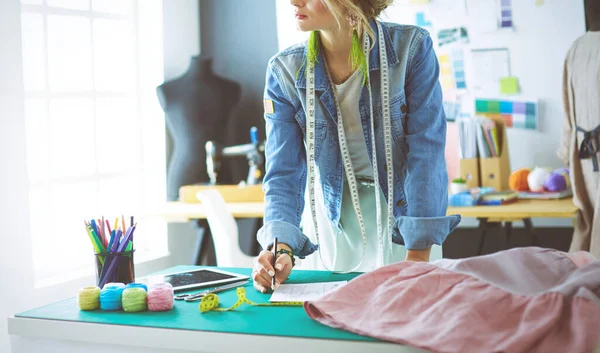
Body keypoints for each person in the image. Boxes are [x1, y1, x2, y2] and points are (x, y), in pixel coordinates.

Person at [253, 0, 461, 293]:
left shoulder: (411, 49)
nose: (293, 1)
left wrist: (418, 254)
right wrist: (281, 248)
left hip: (405, 219)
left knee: (405, 321)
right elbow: (283, 172)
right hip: (333, 223)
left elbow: (426, 154)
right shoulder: (284, 71)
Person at [558, 0, 600, 259]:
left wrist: (567, 154)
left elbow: (567, 118)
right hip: (589, 153)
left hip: (584, 159)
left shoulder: (578, 47)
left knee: (590, 222)